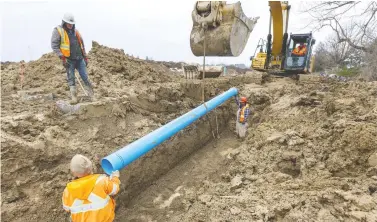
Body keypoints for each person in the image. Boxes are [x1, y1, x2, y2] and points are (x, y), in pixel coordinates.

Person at [62, 154, 120, 222]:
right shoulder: (101, 181)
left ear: (74, 173)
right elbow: (114, 189)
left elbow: (66, 208)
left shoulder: (68, 190)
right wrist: (115, 177)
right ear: (91, 168)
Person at [51, 13, 93, 104]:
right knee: (71, 78)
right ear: (64, 22)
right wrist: (62, 57)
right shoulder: (58, 31)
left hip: (79, 58)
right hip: (68, 60)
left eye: (72, 24)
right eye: (68, 23)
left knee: (85, 76)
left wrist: (85, 57)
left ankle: (91, 94)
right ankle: (74, 97)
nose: (70, 25)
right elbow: (54, 45)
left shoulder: (76, 32)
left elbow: (81, 44)